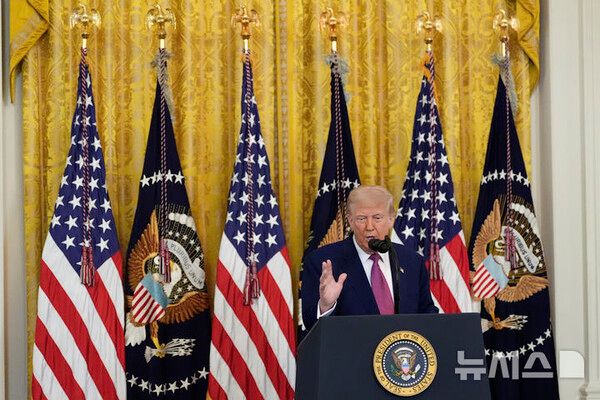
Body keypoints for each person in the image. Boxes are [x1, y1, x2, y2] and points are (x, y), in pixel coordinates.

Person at [301, 185, 438, 333]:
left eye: (377, 218)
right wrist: (326, 306)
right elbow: (311, 326)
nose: (369, 226)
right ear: (350, 221)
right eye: (361, 218)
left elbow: (427, 314)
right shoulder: (322, 262)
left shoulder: (412, 261)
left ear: (391, 219)